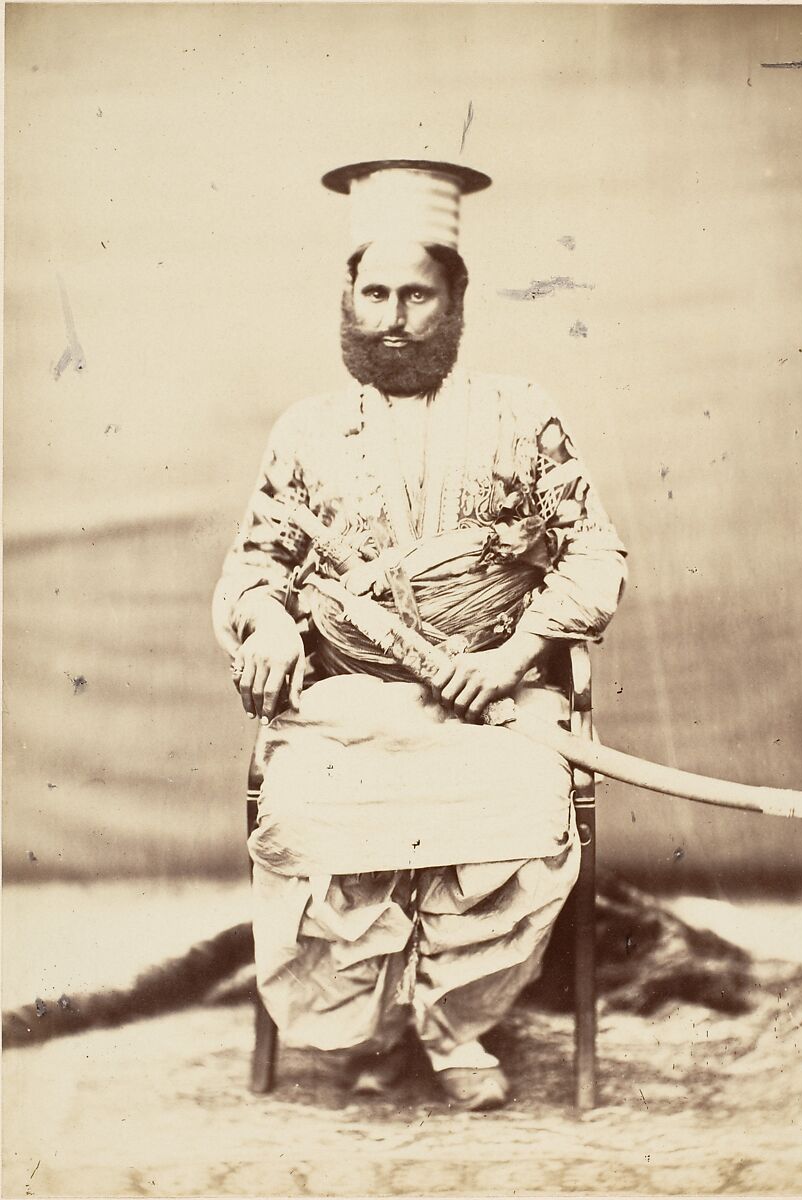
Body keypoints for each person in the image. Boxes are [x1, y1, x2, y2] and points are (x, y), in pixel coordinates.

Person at [213, 159, 627, 1111]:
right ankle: (379, 1023)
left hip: (498, 698)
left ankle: (454, 1027)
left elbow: (595, 556)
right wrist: (270, 619)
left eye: (418, 295)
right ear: (349, 300)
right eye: (376, 293)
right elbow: (256, 564)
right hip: (350, 698)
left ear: (456, 302)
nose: (395, 315)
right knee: (322, 809)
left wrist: (514, 657)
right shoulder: (307, 431)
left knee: (515, 815)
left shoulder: (521, 413)